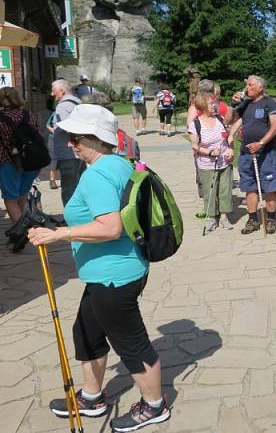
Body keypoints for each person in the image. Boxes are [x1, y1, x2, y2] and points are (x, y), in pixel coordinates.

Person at [28, 104, 169, 432]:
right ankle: (92, 398)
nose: (71, 143)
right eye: (69, 137)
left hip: (113, 276)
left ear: (97, 139)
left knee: (132, 345)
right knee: (87, 333)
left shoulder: (98, 174)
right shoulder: (119, 164)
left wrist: (60, 233)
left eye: (77, 137)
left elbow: (110, 228)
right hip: (112, 271)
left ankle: (154, 405)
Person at [228, 75, 276, 234]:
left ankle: (270, 218)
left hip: (266, 152)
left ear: (260, 88)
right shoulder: (245, 103)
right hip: (246, 152)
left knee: (269, 187)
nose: (247, 88)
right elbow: (229, 120)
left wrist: (261, 143)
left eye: (250, 85)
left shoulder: (268, 102)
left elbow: (274, 127)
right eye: (246, 86)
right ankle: (253, 219)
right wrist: (233, 104)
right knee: (249, 187)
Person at [188, 93, 234, 233]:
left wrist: (230, 149)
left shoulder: (220, 119)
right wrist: (208, 152)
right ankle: (211, 217)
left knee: (225, 190)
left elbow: (228, 137)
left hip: (224, 162)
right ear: (203, 106)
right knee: (210, 191)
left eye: (215, 103)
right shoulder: (195, 124)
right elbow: (195, 146)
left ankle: (224, 217)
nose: (215, 105)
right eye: (211, 103)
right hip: (206, 164)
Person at [0, 87, 42, 223]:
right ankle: (24, 226)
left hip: (8, 162)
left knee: (10, 199)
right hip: (31, 161)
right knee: (22, 195)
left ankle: (21, 232)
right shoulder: (29, 115)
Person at [51, 79, 84, 207]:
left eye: (54, 91)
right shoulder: (77, 102)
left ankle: (71, 220)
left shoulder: (63, 106)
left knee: (69, 189)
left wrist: (57, 129)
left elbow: (69, 128)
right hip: (77, 153)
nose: (52, 94)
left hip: (69, 154)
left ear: (62, 91)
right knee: (78, 186)